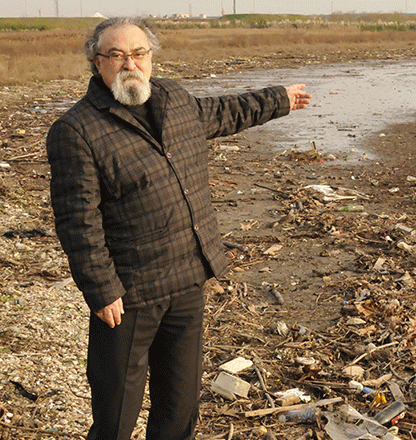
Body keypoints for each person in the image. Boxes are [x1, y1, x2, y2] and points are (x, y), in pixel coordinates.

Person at [46, 17, 311, 440]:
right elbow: (78, 219)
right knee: (116, 413)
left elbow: (226, 112)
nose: (128, 64)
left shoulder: (173, 97)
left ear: (150, 58)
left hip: (187, 277)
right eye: (116, 55)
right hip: (129, 293)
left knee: (179, 404)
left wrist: (278, 98)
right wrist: (101, 288)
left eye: (138, 53)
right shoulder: (76, 130)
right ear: (97, 64)